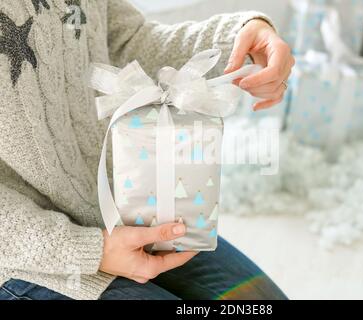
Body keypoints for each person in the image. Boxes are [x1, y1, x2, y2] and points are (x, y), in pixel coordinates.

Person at [0, 0, 294, 300]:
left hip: (125, 207)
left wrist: (239, 38)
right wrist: (87, 250)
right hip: (25, 255)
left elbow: (127, 41)